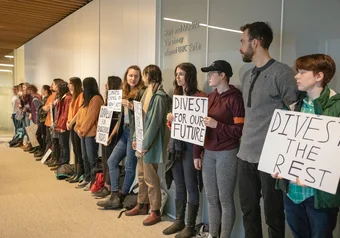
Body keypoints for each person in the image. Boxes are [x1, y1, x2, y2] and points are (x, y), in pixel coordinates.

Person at [237, 21, 298, 238]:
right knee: (248, 211)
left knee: (273, 214)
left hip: (271, 158)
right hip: (244, 154)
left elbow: (296, 115)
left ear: (256, 42)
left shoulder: (281, 73)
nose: (241, 47)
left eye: (243, 41)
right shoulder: (246, 74)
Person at [274, 54, 340, 238]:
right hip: (292, 192)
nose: (296, 76)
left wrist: (316, 174)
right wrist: (277, 164)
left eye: (302, 72)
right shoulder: (294, 106)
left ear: (319, 76)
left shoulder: (337, 107)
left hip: (319, 196)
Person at [193, 60, 244, 238]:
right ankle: (213, 234)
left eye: (212, 73)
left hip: (227, 153)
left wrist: (217, 125)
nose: (209, 77)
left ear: (223, 75)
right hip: (208, 153)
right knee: (211, 198)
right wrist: (196, 153)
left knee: (225, 199)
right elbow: (198, 127)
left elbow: (239, 131)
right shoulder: (209, 97)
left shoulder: (235, 98)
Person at [163, 62, 205, 238]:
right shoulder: (177, 95)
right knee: (179, 184)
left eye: (181, 74)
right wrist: (170, 119)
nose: (177, 77)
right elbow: (173, 127)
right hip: (176, 146)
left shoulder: (200, 96)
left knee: (191, 185)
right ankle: (179, 219)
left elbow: (201, 128)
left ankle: (190, 224)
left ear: (190, 75)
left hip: (191, 147)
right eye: (176, 74)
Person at [125, 65, 169, 226]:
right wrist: (137, 137)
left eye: (143, 75)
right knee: (142, 176)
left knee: (151, 178)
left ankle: (155, 210)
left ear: (148, 76)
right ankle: (141, 204)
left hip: (150, 143)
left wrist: (145, 143)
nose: (142, 78)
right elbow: (139, 118)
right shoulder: (145, 93)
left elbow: (155, 123)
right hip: (142, 141)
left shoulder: (159, 96)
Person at [97, 66, 145, 207]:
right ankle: (115, 194)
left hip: (134, 132)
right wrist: (111, 135)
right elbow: (121, 118)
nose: (133, 78)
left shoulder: (141, 93)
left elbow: (144, 114)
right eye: (130, 76)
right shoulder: (123, 92)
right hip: (124, 131)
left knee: (130, 166)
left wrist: (131, 106)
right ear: (126, 77)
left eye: (136, 76)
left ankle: (122, 196)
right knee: (112, 161)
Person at [93, 75, 122, 198]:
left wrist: (110, 136)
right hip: (105, 132)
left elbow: (118, 121)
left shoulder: (117, 100)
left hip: (111, 134)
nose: (105, 85)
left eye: (107, 83)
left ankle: (109, 186)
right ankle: (106, 184)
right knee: (105, 159)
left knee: (110, 160)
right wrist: (100, 133)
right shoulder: (107, 99)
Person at [75, 77, 103, 190]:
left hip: (90, 134)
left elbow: (91, 118)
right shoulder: (86, 99)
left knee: (92, 158)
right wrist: (78, 128)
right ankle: (87, 178)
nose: (82, 87)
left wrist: (82, 130)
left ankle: (93, 181)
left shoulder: (96, 99)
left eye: (83, 85)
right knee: (84, 157)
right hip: (83, 133)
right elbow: (80, 115)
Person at [66, 77, 84, 183]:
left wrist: (71, 122)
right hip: (71, 125)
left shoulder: (81, 96)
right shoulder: (73, 96)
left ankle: (80, 173)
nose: (68, 85)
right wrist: (68, 122)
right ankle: (76, 172)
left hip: (77, 125)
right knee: (75, 150)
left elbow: (79, 112)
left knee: (78, 149)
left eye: (70, 83)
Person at [54, 80, 72, 168]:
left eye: (57, 88)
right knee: (61, 144)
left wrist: (63, 126)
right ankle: (61, 161)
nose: (56, 90)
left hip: (63, 124)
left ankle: (64, 163)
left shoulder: (68, 98)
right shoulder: (63, 97)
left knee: (64, 145)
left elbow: (66, 113)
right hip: (60, 123)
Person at [34, 85, 52, 159]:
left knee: (45, 137)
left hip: (45, 120)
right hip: (42, 120)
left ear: (46, 90)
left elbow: (46, 109)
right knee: (39, 135)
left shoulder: (49, 98)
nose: (41, 90)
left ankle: (44, 152)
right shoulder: (44, 98)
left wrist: (43, 109)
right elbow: (42, 109)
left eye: (42, 89)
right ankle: (42, 150)